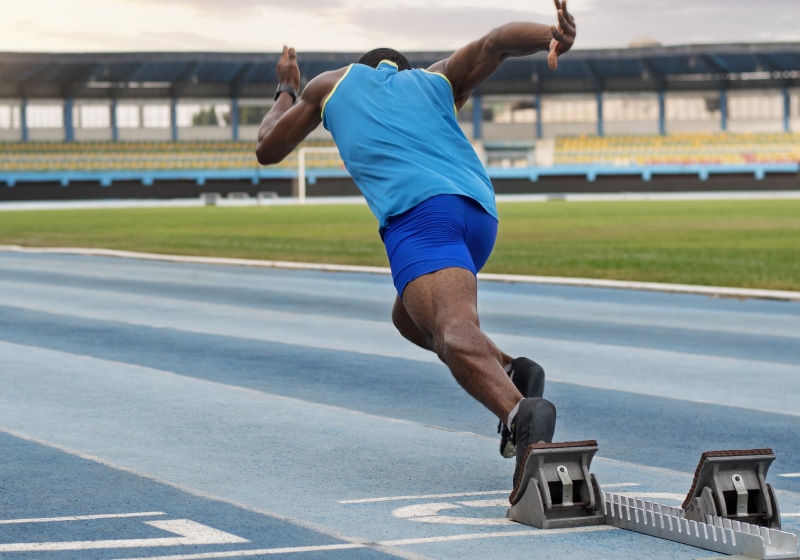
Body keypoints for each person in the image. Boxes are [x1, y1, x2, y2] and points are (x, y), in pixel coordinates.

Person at [256, 0, 576, 498]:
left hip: (420, 216)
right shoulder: (435, 82)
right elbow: (496, 43)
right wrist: (551, 36)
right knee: (408, 318)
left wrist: (286, 86)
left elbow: (267, 147)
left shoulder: (333, 84)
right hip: (478, 214)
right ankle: (513, 369)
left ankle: (519, 413)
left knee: (450, 333)